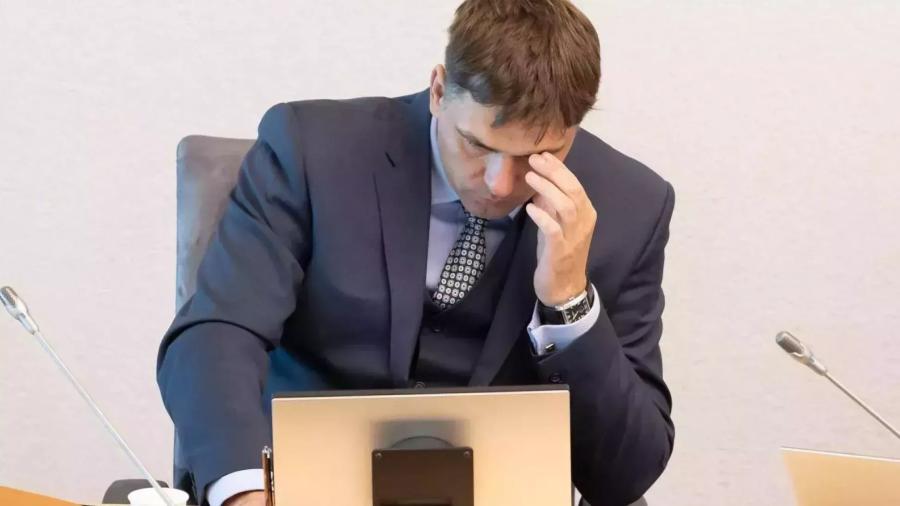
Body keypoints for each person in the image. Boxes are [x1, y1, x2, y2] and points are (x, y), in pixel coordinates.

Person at [157, 1, 675, 505]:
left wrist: (568, 304)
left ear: (575, 129)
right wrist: (245, 489)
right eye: (477, 145)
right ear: (439, 91)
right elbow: (216, 334)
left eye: (538, 155)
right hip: (303, 487)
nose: (499, 184)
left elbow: (625, 475)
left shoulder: (631, 207)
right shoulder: (311, 150)